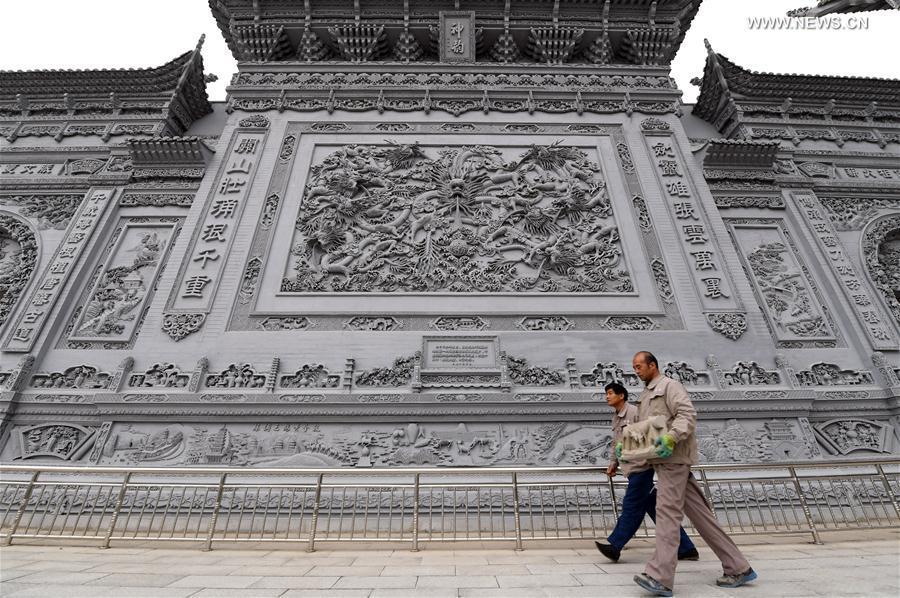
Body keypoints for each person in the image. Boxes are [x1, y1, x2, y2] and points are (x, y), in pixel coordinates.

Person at [630, 351, 757, 597]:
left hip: (674, 461)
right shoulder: (646, 395)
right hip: (662, 461)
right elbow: (648, 430)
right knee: (702, 518)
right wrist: (627, 446)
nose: (636, 371)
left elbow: (687, 415)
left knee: (666, 514)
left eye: (639, 366)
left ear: (652, 365)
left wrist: (671, 436)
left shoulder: (669, 386)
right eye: (634, 367)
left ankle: (660, 576)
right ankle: (738, 567)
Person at [595, 381, 699, 563]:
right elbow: (616, 442)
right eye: (606, 394)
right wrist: (613, 462)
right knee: (654, 509)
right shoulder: (617, 417)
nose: (607, 397)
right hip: (631, 467)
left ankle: (615, 546)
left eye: (610, 393)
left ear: (621, 395)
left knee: (631, 507)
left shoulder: (635, 412)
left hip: (642, 467)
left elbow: (651, 432)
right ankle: (686, 548)